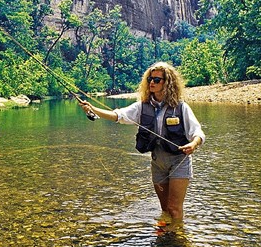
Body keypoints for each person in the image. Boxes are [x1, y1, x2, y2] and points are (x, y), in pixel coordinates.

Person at [78, 62, 205, 222]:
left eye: (157, 80)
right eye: (150, 79)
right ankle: (164, 235)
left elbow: (197, 132)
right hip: (158, 163)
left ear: (168, 83)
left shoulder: (180, 107)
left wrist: (193, 144)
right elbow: (118, 115)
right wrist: (93, 109)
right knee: (165, 208)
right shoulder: (142, 107)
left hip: (179, 161)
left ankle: (177, 239)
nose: (152, 82)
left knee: (174, 208)